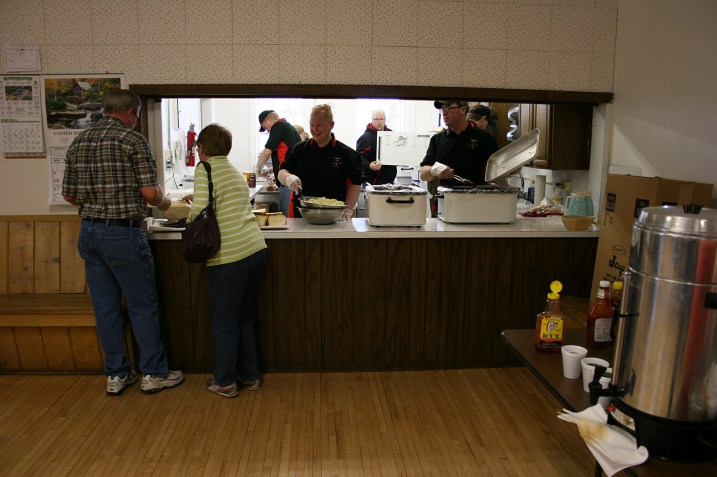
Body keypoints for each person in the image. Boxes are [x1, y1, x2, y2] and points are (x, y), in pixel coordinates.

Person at [62, 89, 184, 396]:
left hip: (89, 233)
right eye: (137, 116)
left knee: (105, 308)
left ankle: (116, 374)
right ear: (130, 112)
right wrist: (167, 201)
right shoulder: (132, 140)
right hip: (122, 234)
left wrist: (95, 203)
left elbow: (69, 195)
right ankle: (155, 373)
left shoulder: (79, 141)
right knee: (142, 305)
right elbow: (150, 194)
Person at [187, 123, 268, 398]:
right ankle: (251, 376)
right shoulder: (233, 170)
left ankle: (224, 382)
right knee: (244, 317)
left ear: (202, 148)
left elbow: (198, 212)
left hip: (229, 256)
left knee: (224, 321)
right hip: (255, 249)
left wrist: (187, 215)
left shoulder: (205, 168)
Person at [278, 104, 362, 220]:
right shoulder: (299, 149)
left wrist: (348, 209)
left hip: (334, 216)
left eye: (319, 125)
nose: (314, 129)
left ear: (331, 125)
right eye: (311, 125)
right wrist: (288, 178)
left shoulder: (346, 153)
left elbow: (355, 183)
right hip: (300, 215)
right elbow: (282, 171)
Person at [419, 100, 500, 188]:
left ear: (463, 110)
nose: (444, 113)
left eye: (449, 108)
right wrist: (434, 170)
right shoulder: (437, 139)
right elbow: (423, 174)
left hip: (477, 198)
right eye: (442, 109)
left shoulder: (484, 138)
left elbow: (499, 169)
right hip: (446, 199)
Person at [255, 110, 302, 216]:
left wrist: (257, 168)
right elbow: (287, 157)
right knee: (283, 216)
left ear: (268, 120)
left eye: (264, 126)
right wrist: (271, 170)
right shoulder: (287, 127)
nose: (267, 130)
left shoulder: (278, 126)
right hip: (291, 180)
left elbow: (267, 152)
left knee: (288, 220)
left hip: (287, 182)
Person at [356, 109, 397, 185]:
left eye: (381, 119)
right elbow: (358, 158)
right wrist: (369, 165)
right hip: (371, 182)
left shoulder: (392, 136)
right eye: (376, 119)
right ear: (372, 120)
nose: (379, 122)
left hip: (389, 182)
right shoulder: (365, 138)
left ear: (385, 120)